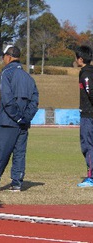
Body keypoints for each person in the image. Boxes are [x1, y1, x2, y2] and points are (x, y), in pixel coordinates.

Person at [0, 45, 39, 192]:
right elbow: (34, 101)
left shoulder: (6, 73)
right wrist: (25, 118)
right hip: (23, 123)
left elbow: (7, 99)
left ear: (8, 57)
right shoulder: (28, 77)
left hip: (8, 121)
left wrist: (17, 117)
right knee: (19, 153)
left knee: (1, 152)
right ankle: (17, 183)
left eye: (4, 56)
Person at [75, 45, 93, 187]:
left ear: (81, 59)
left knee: (87, 145)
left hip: (88, 115)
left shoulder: (86, 74)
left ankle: (91, 177)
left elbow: (90, 92)